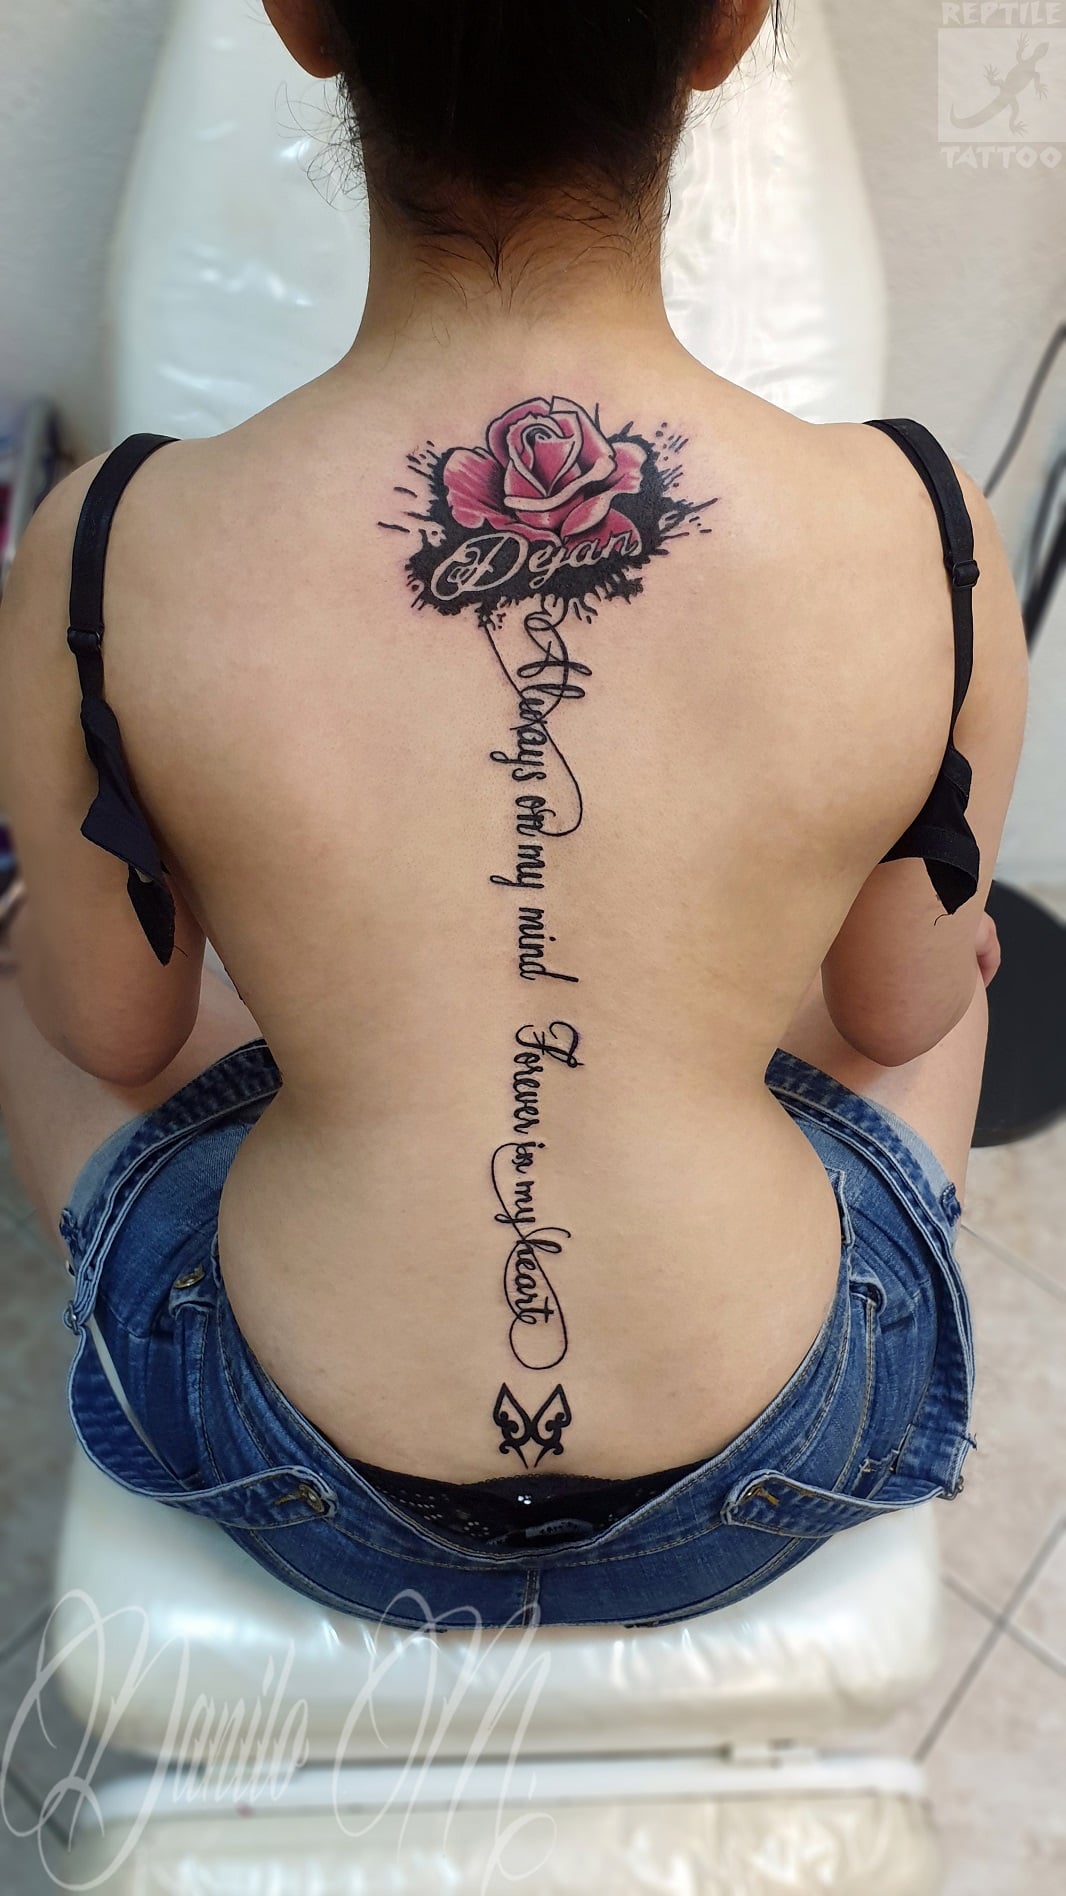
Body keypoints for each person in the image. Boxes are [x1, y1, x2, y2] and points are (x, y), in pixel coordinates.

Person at [0, 0, 1027, 1630]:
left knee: (32, 974)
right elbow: (890, 1012)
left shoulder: (107, 542)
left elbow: (120, 1032)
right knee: (943, 974)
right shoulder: (927, 528)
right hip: (778, 1457)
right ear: (728, 27)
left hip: (290, 1468)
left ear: (302, 21)